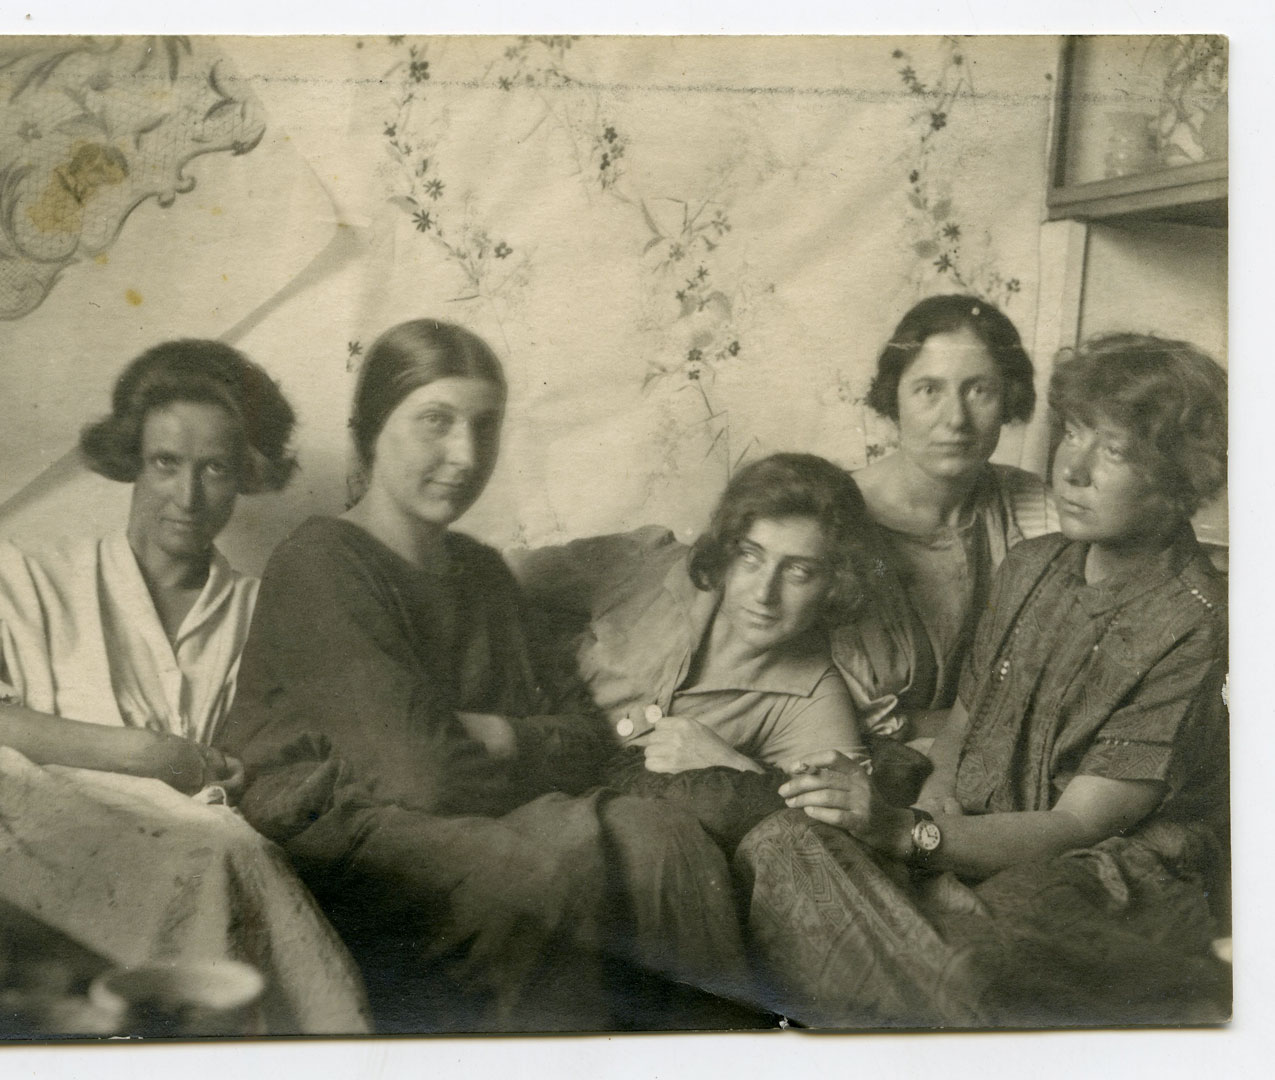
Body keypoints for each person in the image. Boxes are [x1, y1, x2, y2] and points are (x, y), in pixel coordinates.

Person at [217, 318, 752, 1033]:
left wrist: (496, 734)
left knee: (666, 840)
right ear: (370, 429)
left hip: (466, 817)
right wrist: (506, 751)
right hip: (336, 835)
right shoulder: (321, 564)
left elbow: (585, 739)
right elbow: (422, 777)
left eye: (485, 426)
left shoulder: (481, 572)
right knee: (541, 875)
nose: (466, 455)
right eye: (436, 422)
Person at [0, 339, 370, 1035]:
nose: (187, 497)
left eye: (215, 469)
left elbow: (308, 748)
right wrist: (139, 753)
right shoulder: (27, 575)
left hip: (185, 855)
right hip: (33, 845)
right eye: (166, 463)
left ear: (245, 475)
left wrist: (245, 773)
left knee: (229, 856)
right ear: (133, 459)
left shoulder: (264, 612)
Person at [738, 333, 1230, 1028]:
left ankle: (945, 1007)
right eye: (1074, 433)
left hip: (1099, 867)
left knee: (1005, 929)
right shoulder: (1031, 565)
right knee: (782, 840)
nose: (1072, 469)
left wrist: (910, 837)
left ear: (1182, 480)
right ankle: (947, 999)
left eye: (1115, 451)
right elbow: (965, 727)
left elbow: (1076, 825)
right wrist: (934, 805)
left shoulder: (1197, 623)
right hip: (975, 830)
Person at [512, 453, 873, 848]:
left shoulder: (813, 698)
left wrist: (732, 766)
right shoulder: (650, 565)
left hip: (598, 837)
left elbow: (839, 828)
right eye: (750, 555)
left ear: (835, 584)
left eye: (798, 571)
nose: (763, 593)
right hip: (509, 758)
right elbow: (502, 578)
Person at [834, 295, 1057, 743]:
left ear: (1008, 398)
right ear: (894, 398)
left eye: (979, 391)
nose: (956, 419)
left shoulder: (1036, 507)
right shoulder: (832, 518)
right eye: (929, 390)